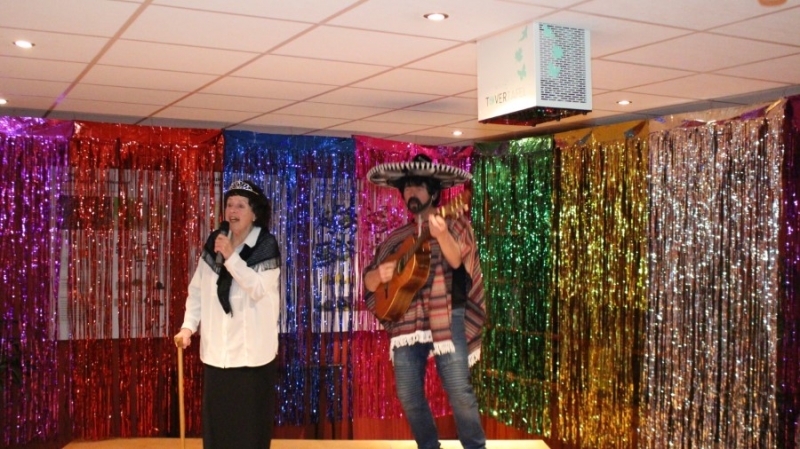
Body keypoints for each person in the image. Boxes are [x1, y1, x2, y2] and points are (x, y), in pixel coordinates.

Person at [363, 154, 487, 449]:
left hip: (448, 315)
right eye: (407, 187)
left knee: (459, 391)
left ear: (433, 192)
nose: (411, 192)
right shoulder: (397, 238)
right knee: (408, 394)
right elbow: (368, 283)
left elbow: (458, 260)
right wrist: (380, 274)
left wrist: (441, 235)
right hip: (407, 322)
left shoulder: (454, 224)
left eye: (418, 187)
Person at [173, 179, 281, 449]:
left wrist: (232, 257)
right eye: (229, 204)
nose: (232, 210)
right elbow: (198, 289)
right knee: (218, 432)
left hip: (251, 360)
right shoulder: (216, 242)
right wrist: (188, 327)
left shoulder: (266, 245)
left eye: (240, 205)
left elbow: (257, 289)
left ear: (254, 213)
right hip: (217, 356)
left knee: (248, 435)